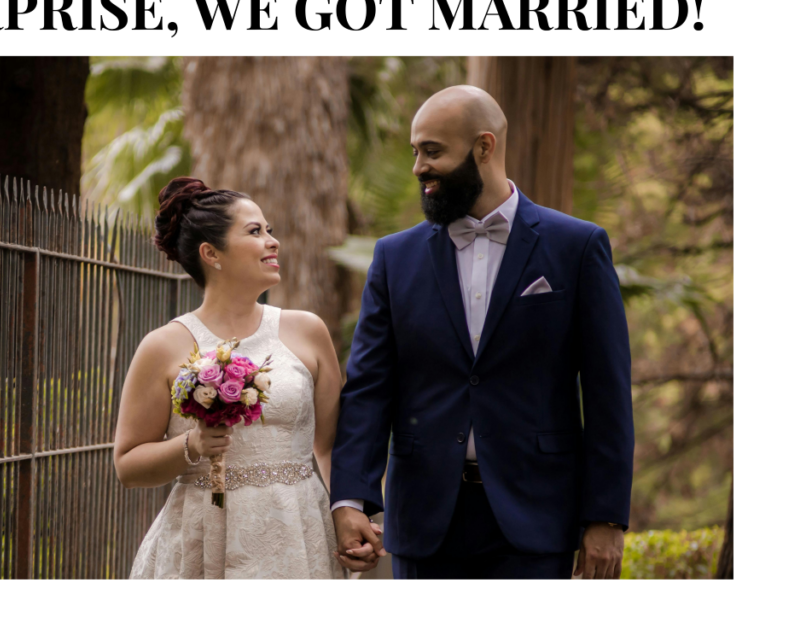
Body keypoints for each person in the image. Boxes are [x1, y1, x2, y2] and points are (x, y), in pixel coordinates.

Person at [330, 86, 635, 579]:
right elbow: (368, 389)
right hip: (425, 523)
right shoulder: (393, 258)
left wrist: (605, 515)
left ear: (484, 147)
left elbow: (607, 393)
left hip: (537, 521)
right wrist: (350, 499)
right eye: (415, 152)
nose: (418, 168)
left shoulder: (577, 247)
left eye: (432, 151)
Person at [114, 177, 377, 579]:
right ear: (211, 253)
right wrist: (193, 443)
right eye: (255, 231)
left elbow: (330, 445)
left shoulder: (307, 331)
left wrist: (346, 511)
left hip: (297, 535)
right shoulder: (162, 346)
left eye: (270, 230)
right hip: (201, 539)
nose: (273, 241)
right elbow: (128, 465)